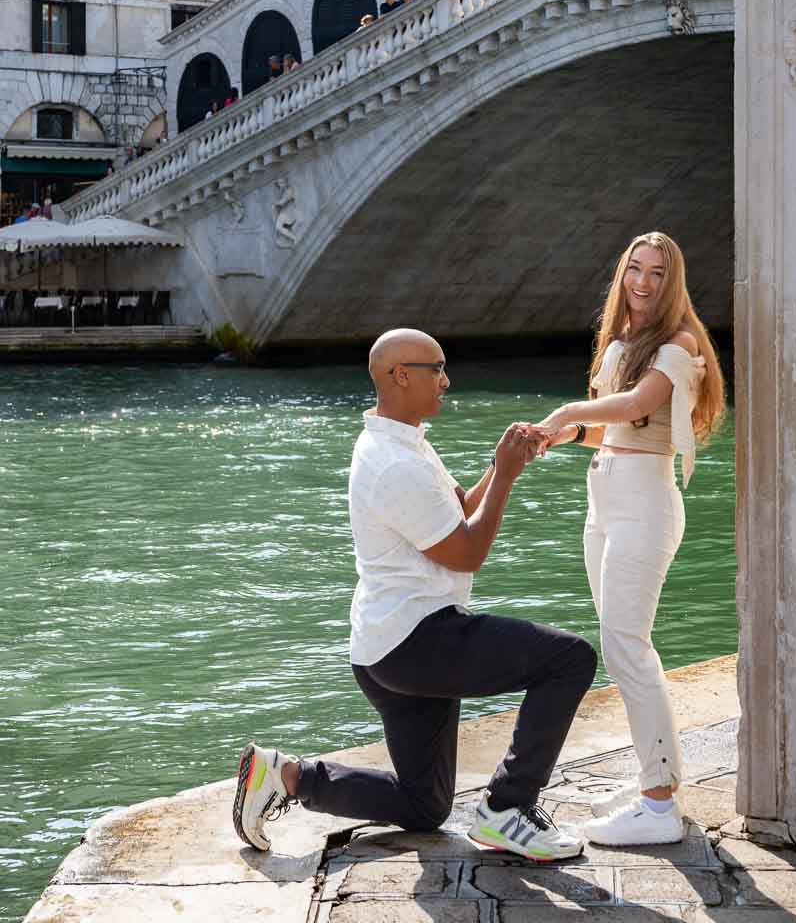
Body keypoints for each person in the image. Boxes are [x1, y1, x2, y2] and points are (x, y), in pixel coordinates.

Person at [233, 328, 597, 860]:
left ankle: (286, 776)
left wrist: (503, 460)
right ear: (400, 375)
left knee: (424, 806)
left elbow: (458, 514)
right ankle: (507, 810)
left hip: (388, 645)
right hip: (418, 640)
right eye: (438, 368)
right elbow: (467, 551)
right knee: (569, 659)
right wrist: (508, 477)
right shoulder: (394, 464)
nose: (446, 381)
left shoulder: (404, 442)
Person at [531, 233, 725, 846]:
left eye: (657, 273)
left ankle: (659, 807)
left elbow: (640, 404)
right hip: (605, 501)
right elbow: (608, 431)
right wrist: (556, 437)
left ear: (674, 283)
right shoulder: (619, 344)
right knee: (625, 647)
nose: (643, 281)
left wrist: (566, 412)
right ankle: (657, 780)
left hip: (645, 502)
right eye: (634, 269)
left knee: (627, 648)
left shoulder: (680, 343)